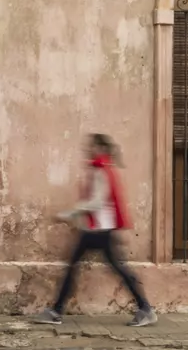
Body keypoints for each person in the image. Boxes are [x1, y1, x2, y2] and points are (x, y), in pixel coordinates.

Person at [35, 133, 158, 327]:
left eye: (92, 146)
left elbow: (97, 202)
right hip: (96, 230)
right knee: (91, 267)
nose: (89, 149)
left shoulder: (101, 170)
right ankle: (57, 310)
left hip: (100, 231)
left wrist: (69, 214)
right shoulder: (100, 168)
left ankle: (56, 311)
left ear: (100, 148)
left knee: (105, 268)